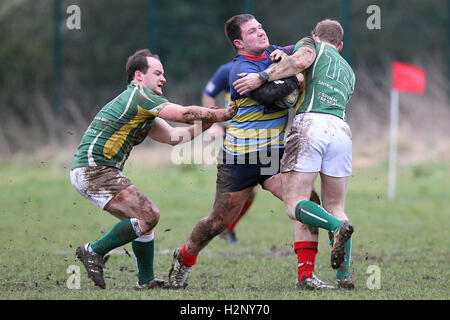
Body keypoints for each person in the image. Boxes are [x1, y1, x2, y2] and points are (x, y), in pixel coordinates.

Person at [167, 14, 331, 290]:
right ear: (239, 43)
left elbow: (307, 49)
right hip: (240, 158)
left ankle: (306, 276)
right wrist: (295, 75)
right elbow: (267, 95)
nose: (261, 33)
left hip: (274, 154)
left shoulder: (275, 52)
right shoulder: (239, 69)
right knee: (217, 223)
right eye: (253, 32)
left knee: (306, 200)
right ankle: (184, 258)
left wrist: (293, 61)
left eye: (261, 27)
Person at [70, 49, 237, 290]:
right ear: (139, 76)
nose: (163, 78)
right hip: (94, 170)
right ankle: (93, 251)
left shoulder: (142, 107)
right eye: (158, 73)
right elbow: (184, 114)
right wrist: (223, 113)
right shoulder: (139, 96)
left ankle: (145, 282)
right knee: (149, 215)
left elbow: (174, 136)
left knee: (142, 221)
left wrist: (209, 121)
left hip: (95, 170)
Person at [233, 19, 356, 289]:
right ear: (341, 45)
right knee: (336, 206)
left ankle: (335, 228)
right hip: (342, 131)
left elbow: (302, 60)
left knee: (295, 204)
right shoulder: (348, 69)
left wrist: (263, 77)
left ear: (315, 36)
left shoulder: (310, 45)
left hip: (312, 125)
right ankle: (344, 276)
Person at [202, 61, 258, 245]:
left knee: (251, 192)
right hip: (233, 136)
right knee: (231, 190)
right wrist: (213, 123)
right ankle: (217, 226)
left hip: (258, 136)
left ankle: (228, 228)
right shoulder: (227, 70)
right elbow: (208, 94)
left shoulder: (265, 68)